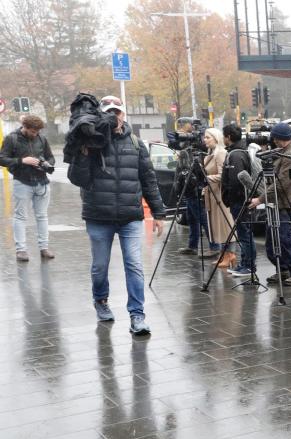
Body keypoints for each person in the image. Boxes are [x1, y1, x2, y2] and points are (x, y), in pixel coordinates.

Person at [69, 95, 166, 335]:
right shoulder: (90, 143)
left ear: (124, 115)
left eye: (118, 112)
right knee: (100, 266)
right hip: (98, 216)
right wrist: (82, 153)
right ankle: (100, 301)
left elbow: (149, 179)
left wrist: (158, 212)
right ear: (100, 116)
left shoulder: (136, 143)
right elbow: (77, 179)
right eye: (109, 112)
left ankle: (137, 315)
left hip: (130, 217)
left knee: (134, 265)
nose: (114, 117)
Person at [249, 122, 291, 287]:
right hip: (276, 204)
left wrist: (259, 199)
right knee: (272, 242)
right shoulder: (281, 152)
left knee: (285, 240)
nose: (272, 140)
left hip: (286, 205)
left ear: (279, 138)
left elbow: (281, 183)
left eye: (274, 137)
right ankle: (283, 270)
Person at [0, 114, 56, 262]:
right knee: (20, 216)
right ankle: (21, 250)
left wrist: (46, 163)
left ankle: (44, 248)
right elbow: (2, 159)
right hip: (22, 182)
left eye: (37, 131)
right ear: (24, 127)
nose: (35, 134)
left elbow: (51, 157)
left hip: (42, 182)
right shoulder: (12, 139)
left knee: (42, 216)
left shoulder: (42, 139)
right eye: (32, 131)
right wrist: (21, 160)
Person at [172, 118, 214, 257]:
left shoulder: (202, 139)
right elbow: (175, 144)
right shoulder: (188, 141)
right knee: (191, 217)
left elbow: (204, 151)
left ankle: (214, 246)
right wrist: (178, 139)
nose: (182, 129)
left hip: (195, 182)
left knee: (201, 216)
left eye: (184, 126)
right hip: (188, 182)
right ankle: (192, 245)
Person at [221, 123, 257, 278]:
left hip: (240, 201)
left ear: (228, 137)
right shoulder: (239, 151)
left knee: (244, 234)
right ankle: (246, 264)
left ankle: (248, 266)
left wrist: (230, 198)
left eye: (224, 136)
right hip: (240, 200)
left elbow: (237, 180)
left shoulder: (236, 154)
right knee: (244, 233)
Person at [201, 128, 236, 269]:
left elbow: (223, 175)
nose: (205, 140)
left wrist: (206, 178)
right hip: (213, 194)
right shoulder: (211, 153)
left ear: (216, 138)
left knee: (225, 226)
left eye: (208, 137)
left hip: (220, 195)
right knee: (218, 226)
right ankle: (224, 255)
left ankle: (230, 255)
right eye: (204, 137)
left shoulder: (220, 153)